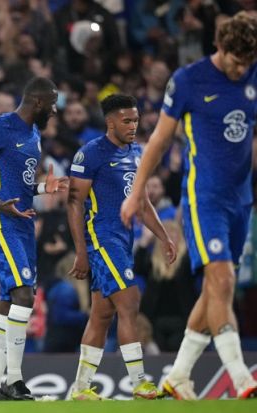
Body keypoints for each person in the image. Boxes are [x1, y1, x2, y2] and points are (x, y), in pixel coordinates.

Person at [120, 11, 257, 400]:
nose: (240, 70)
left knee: (216, 290)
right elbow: (160, 141)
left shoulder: (252, 72)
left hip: (242, 200)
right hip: (205, 198)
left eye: (247, 63)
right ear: (219, 46)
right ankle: (241, 377)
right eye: (235, 61)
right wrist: (136, 191)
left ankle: (178, 375)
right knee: (223, 279)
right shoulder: (188, 80)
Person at [67, 94, 176, 401]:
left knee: (102, 314)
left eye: (136, 120)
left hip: (124, 240)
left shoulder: (137, 153)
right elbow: (74, 203)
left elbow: (141, 202)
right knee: (129, 302)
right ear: (110, 121)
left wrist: (164, 236)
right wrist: (81, 251)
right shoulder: (90, 154)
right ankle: (140, 383)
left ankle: (80, 388)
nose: (133, 126)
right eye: (126, 120)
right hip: (102, 238)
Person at [0, 76, 69, 401]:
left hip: (22, 221)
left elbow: (22, 186)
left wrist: (44, 189)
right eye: (52, 104)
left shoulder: (34, 134)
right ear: (38, 102)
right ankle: (15, 379)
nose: (54, 111)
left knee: (12, 298)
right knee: (25, 295)